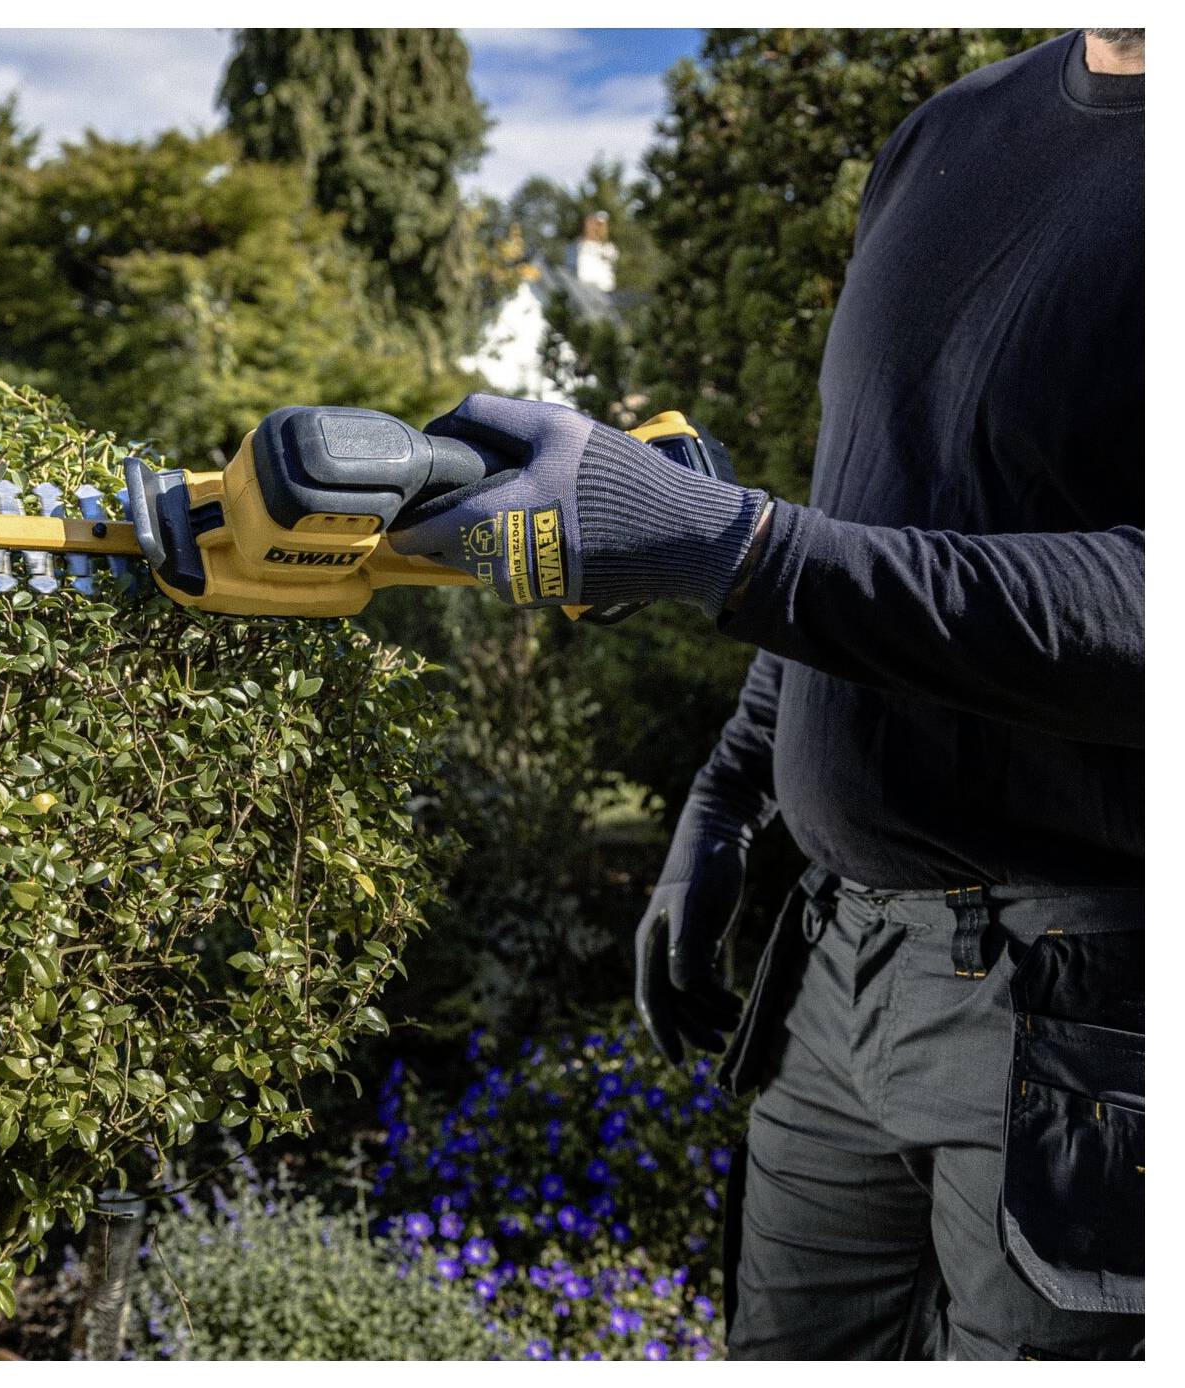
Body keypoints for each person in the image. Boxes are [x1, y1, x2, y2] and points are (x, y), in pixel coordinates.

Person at [386, 28, 1143, 1360]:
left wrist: (727, 546)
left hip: (1088, 1008)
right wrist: (731, 788)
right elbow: (876, 505)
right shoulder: (946, 137)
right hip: (835, 978)